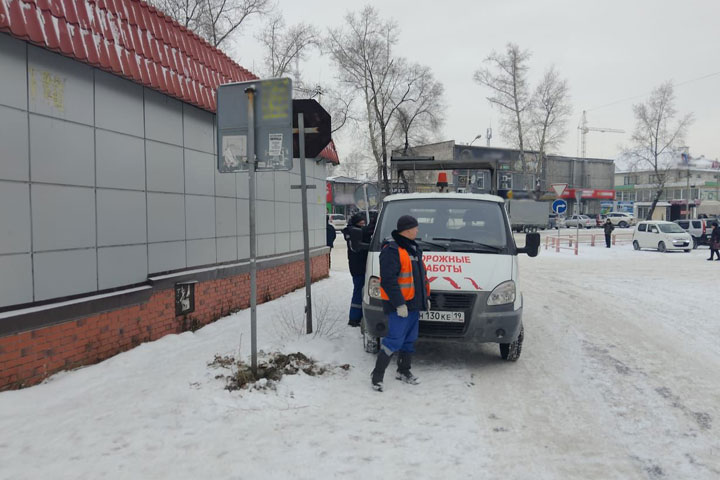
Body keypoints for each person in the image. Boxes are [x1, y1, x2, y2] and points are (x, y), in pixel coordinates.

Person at [371, 215, 430, 392]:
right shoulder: (392, 250)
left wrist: (425, 298)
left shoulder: (413, 248)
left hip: (413, 305)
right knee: (393, 341)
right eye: (415, 227)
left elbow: (421, 278)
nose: (418, 230)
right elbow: (388, 280)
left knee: (409, 340)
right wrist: (398, 304)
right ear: (407, 229)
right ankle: (377, 377)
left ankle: (404, 371)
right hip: (400, 307)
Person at [342, 213, 370, 327]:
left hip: (360, 267)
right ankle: (354, 318)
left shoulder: (355, 232)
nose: (363, 225)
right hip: (358, 268)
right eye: (361, 223)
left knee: (361, 291)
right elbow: (359, 247)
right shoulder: (354, 233)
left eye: (364, 223)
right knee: (358, 292)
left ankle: (358, 315)